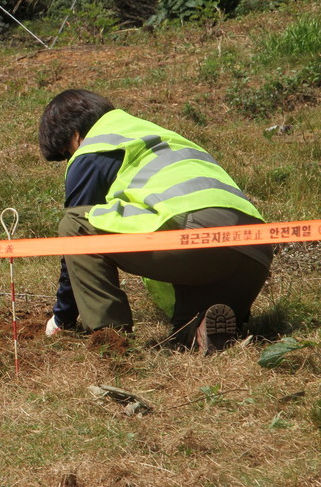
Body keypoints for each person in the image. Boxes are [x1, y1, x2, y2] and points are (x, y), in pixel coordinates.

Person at [38, 89, 272, 352]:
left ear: (75, 136)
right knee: (184, 331)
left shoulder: (94, 149)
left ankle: (110, 340)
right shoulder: (157, 136)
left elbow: (77, 243)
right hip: (254, 250)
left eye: (67, 153)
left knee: (75, 224)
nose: (71, 160)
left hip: (195, 240)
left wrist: (62, 318)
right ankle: (201, 330)